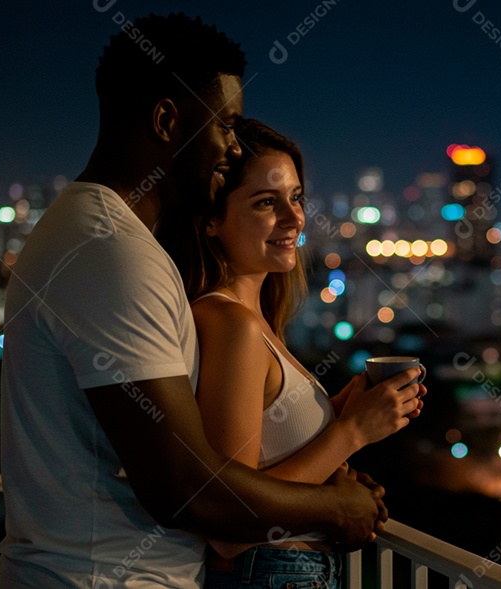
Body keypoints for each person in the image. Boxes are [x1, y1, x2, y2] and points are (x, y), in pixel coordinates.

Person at [0, 14, 383, 589]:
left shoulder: (95, 233)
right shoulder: (112, 252)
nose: (231, 146)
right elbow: (187, 486)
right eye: (225, 125)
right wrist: (334, 508)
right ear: (168, 120)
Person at [158, 119, 426, 589]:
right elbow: (230, 524)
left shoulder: (254, 322)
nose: (294, 218)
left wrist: (336, 413)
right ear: (211, 221)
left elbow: (264, 464)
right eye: (266, 202)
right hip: (268, 574)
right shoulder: (231, 324)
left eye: (296, 198)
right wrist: (351, 432)